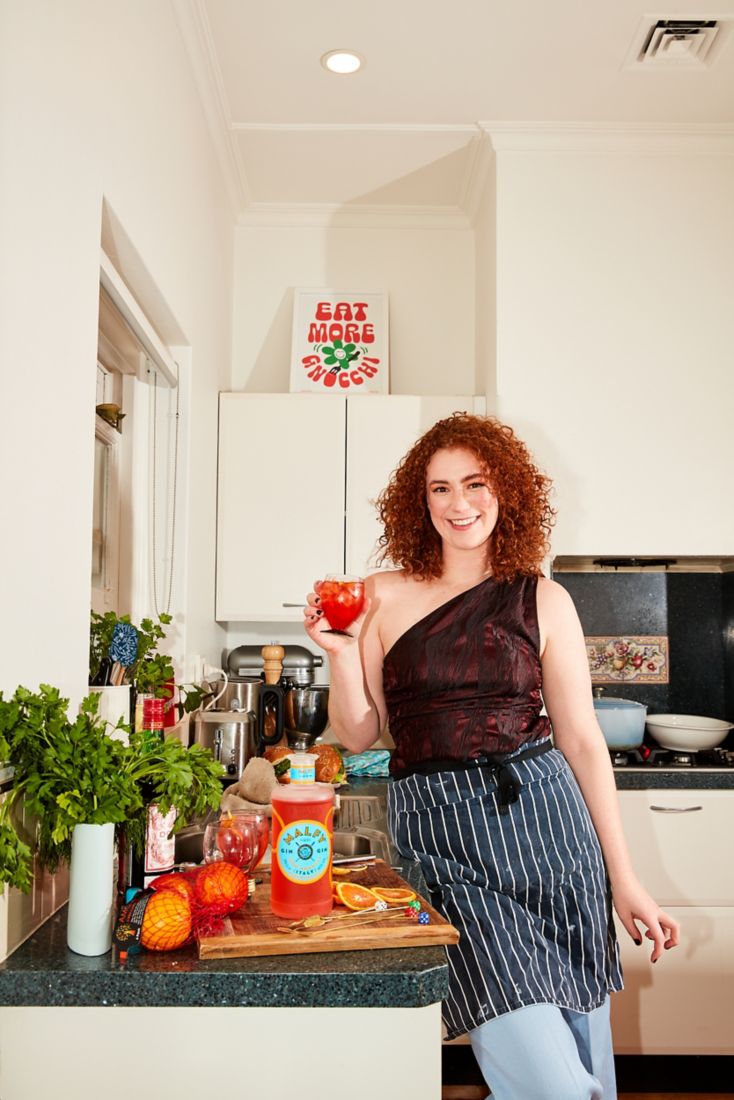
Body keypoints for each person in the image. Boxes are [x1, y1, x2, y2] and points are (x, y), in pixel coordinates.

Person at [304, 412, 679, 1100]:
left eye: (474, 484)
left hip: (549, 830)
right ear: (421, 503)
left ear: (504, 491)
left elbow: (582, 742)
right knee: (549, 1082)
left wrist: (623, 878)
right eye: (440, 488)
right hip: (445, 844)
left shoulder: (545, 599)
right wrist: (339, 652)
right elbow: (359, 733)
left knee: (585, 1047)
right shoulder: (381, 595)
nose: (458, 504)